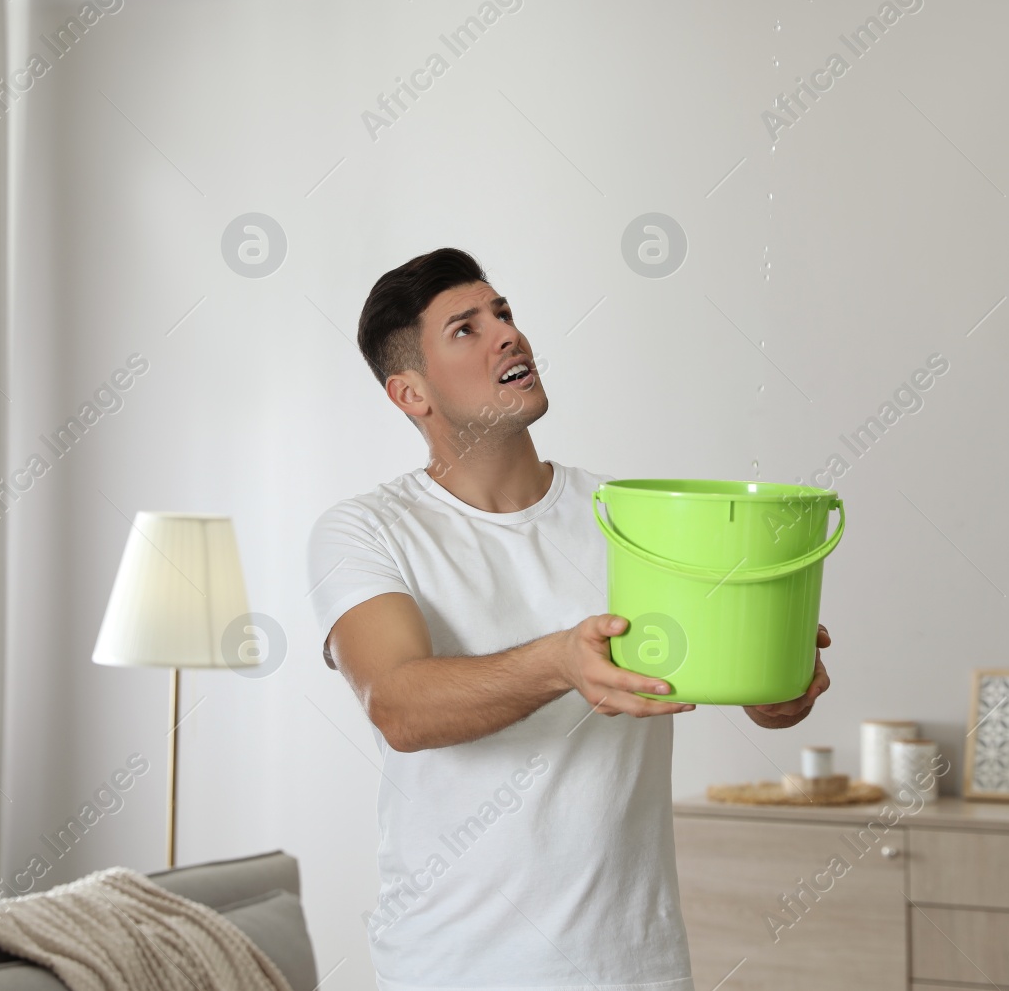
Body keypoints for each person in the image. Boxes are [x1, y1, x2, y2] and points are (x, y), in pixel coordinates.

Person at [306, 247, 831, 991]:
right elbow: (397, 705)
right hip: (450, 970)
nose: (506, 336)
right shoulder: (365, 530)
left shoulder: (632, 516)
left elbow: (740, 688)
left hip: (634, 968)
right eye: (466, 329)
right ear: (410, 394)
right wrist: (558, 663)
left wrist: (775, 681)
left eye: (505, 314)